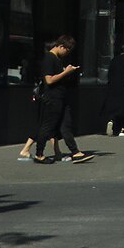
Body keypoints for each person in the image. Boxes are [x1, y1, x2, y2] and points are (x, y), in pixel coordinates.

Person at [33, 36, 93, 164]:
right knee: (47, 126)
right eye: (67, 50)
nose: (67, 53)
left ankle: (76, 152)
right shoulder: (49, 58)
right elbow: (49, 80)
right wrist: (66, 72)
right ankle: (39, 154)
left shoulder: (56, 59)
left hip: (61, 97)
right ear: (61, 46)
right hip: (52, 98)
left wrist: (67, 71)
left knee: (66, 125)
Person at [100, 44, 124, 136]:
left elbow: (109, 75)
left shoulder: (114, 61)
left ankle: (111, 121)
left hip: (114, 88)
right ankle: (123, 129)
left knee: (114, 108)